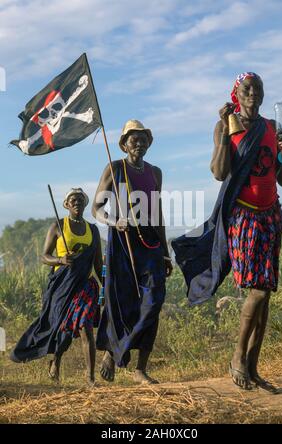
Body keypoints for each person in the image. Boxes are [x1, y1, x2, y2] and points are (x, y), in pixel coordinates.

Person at [172, 72, 282, 392]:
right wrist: (226, 133)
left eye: (258, 89)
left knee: (266, 295)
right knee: (259, 289)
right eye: (247, 89)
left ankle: (253, 367)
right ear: (236, 94)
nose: (253, 93)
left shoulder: (271, 128)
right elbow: (218, 172)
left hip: (271, 215)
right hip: (243, 216)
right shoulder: (228, 126)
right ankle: (238, 358)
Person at [92, 119, 172, 384]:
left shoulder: (155, 172)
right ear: (124, 144)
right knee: (122, 301)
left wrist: (165, 251)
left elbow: (158, 213)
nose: (138, 143)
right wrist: (115, 221)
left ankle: (137, 367)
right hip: (122, 239)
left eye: (143, 139)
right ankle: (113, 353)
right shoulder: (115, 168)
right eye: (133, 139)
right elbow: (96, 208)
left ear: (149, 143)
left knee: (154, 301)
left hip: (150, 243)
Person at [10, 188, 103, 386]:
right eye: (73, 200)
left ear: (85, 204)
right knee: (64, 330)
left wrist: (107, 286)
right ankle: (56, 360)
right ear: (67, 205)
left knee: (85, 328)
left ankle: (90, 378)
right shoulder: (58, 226)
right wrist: (60, 259)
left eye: (80, 199)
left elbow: (97, 264)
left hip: (85, 286)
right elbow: (44, 256)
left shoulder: (93, 230)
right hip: (62, 286)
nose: (77, 202)